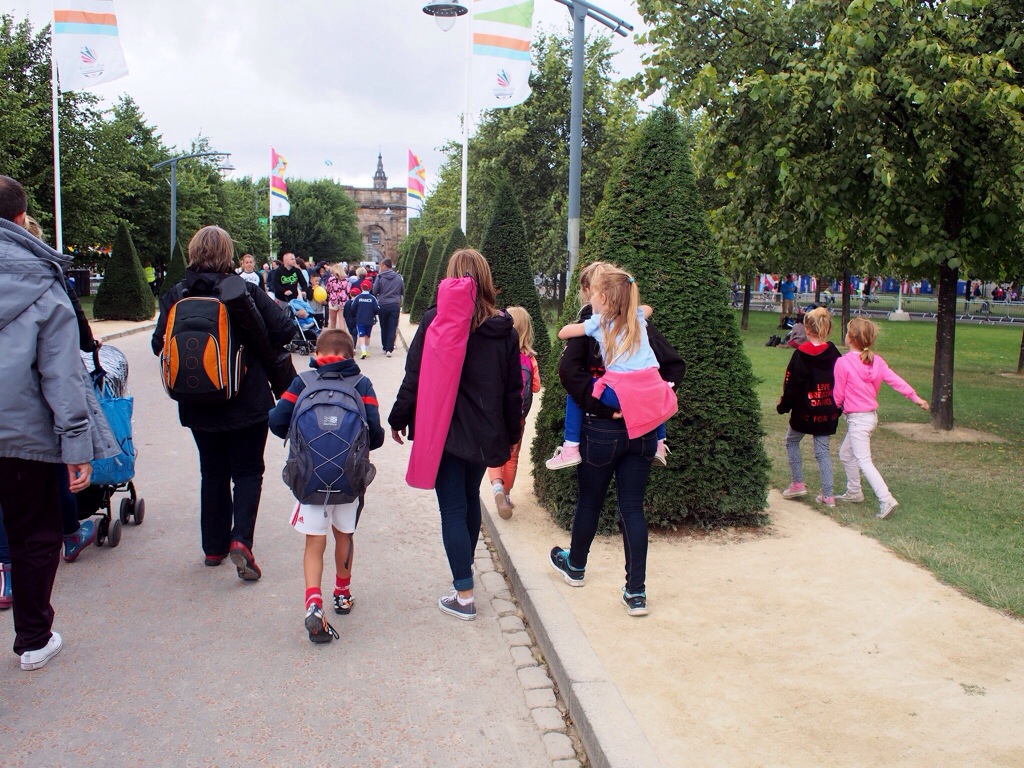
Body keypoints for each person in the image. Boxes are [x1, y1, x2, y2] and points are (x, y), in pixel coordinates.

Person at [0, 175, 105, 670]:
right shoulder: (43, 283)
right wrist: (77, 446)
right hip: (22, 435)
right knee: (33, 536)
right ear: (22, 219)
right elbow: (61, 376)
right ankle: (33, 639)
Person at [152, 226, 293, 578]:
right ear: (228, 255)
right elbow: (283, 330)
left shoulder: (177, 294)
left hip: (197, 399)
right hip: (247, 398)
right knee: (247, 471)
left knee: (212, 471)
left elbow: (158, 344)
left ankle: (213, 547)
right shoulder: (243, 290)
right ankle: (240, 540)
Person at [389, 249, 522, 621]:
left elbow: (414, 375)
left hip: (443, 429)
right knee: (467, 498)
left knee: (452, 507)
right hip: (484, 430)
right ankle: (465, 572)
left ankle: (463, 594)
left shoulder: (436, 320)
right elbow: (513, 390)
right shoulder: (504, 328)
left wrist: (399, 417)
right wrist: (511, 433)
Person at [547, 260, 684, 618]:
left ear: (596, 294)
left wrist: (607, 409)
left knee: (590, 501)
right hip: (643, 428)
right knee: (632, 508)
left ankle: (576, 566)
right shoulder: (638, 320)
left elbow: (568, 373)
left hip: (602, 429)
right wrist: (649, 401)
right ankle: (636, 592)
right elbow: (672, 365)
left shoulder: (593, 323)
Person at [268, 330, 384, 643]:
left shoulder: (302, 383)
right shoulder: (361, 385)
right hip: (349, 479)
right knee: (344, 535)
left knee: (314, 541)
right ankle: (342, 595)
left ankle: (313, 603)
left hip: (309, 479)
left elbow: (277, 423)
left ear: (317, 354)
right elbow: (375, 435)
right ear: (350, 355)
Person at [546, 265, 675, 470]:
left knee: (575, 393)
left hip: (619, 394)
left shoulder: (600, 322)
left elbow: (563, 333)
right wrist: (631, 309)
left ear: (603, 298)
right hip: (652, 389)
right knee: (655, 393)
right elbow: (648, 308)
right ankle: (660, 444)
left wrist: (589, 323)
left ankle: (570, 448)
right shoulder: (637, 317)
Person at [833, 318, 930, 519]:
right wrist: (915, 397)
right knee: (845, 453)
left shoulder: (843, 363)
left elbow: (838, 395)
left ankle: (886, 499)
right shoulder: (877, 361)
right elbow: (896, 381)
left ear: (849, 338)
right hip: (868, 418)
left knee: (864, 461)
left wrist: (830, 410)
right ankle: (854, 491)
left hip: (858, 420)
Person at [776, 308, 842, 507]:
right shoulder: (834, 354)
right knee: (822, 451)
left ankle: (797, 483)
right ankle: (828, 495)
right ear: (827, 328)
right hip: (827, 411)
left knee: (791, 440)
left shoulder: (800, 355)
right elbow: (842, 381)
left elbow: (792, 385)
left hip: (804, 412)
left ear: (806, 328)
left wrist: (783, 406)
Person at [488, 306, 541, 520]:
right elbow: (535, 387)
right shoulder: (530, 358)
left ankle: (497, 488)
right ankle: (507, 495)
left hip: (496, 414)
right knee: (512, 457)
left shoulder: (497, 353)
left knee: (493, 453)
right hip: (518, 417)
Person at [372, 258, 404, 357]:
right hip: (395, 304)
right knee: (392, 326)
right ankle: (390, 348)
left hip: (383, 304)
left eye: (381, 265)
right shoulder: (398, 277)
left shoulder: (380, 277)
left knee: (384, 326)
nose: (380, 267)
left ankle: (385, 346)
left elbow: (374, 291)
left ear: (385, 266)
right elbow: (402, 290)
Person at [352, 279, 380, 360]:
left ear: (361, 287)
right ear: (370, 288)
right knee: (368, 335)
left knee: (361, 335)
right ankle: (366, 350)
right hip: (369, 320)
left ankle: (363, 351)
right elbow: (377, 309)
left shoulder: (358, 297)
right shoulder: (373, 298)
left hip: (360, 319)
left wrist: (356, 313)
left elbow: (352, 307)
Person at [325, 264, 347, 330]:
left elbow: (327, 289)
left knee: (332, 322)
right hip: (343, 301)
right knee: (342, 321)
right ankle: (343, 334)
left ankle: (332, 335)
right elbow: (348, 290)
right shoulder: (346, 280)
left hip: (333, 301)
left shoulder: (331, 279)